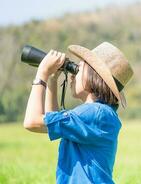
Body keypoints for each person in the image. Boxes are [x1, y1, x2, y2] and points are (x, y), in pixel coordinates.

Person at [23, 42, 133, 184]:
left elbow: (32, 122)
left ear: (95, 76)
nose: (73, 74)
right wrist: (52, 80)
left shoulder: (95, 113)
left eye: (78, 69)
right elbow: (52, 123)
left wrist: (42, 74)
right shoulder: (99, 113)